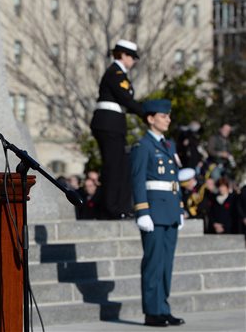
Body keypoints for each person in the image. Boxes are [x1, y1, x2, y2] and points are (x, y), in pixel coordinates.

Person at [131, 99, 185, 327]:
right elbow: (138, 179)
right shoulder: (143, 146)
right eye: (164, 116)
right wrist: (142, 211)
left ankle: (163, 307)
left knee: (166, 264)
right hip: (153, 213)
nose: (168, 119)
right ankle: (152, 311)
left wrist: (180, 208)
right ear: (151, 119)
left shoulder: (169, 145)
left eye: (168, 115)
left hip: (170, 211)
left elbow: (174, 180)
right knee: (153, 263)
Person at [90, 40, 145, 220]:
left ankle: (115, 206)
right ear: (122, 55)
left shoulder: (120, 73)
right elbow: (126, 98)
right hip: (109, 123)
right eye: (131, 57)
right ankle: (111, 208)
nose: (134, 61)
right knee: (113, 166)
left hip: (113, 123)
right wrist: (147, 113)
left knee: (118, 165)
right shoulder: (116, 73)